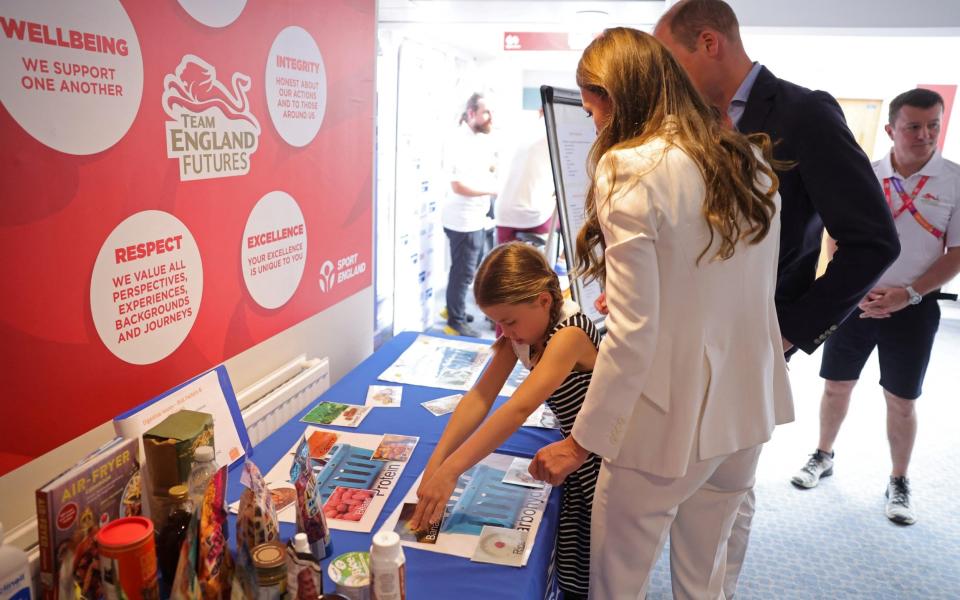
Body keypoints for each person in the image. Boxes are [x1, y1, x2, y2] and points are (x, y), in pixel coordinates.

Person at [529, 27, 791, 599]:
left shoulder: (629, 167)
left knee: (618, 584)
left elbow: (633, 335)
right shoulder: (750, 161)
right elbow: (733, 287)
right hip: (745, 406)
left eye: (591, 100)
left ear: (615, 93)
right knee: (704, 581)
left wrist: (581, 443)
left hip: (666, 421)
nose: (591, 118)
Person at [652, 1, 900, 594]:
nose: (664, 77)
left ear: (709, 42)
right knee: (718, 485)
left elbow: (872, 241)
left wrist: (787, 330)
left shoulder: (803, 113)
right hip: (692, 331)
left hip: (758, 335)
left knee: (724, 490)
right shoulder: (687, 121)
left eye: (671, 59)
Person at [791, 88, 960, 526]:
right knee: (835, 385)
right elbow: (835, 234)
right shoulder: (865, 172)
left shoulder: (954, 180)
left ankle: (898, 479)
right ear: (891, 129)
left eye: (933, 126)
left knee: (901, 399)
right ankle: (822, 454)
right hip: (855, 303)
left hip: (915, 305)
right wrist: (851, 286)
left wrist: (909, 293)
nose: (925, 135)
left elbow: (956, 253)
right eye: (913, 127)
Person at [410, 242, 602, 600]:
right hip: (575, 448)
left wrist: (452, 471)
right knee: (570, 568)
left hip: (597, 457)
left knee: (589, 572)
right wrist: (435, 465)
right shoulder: (524, 332)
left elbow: (517, 408)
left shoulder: (570, 334)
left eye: (510, 321)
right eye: (497, 323)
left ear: (544, 301)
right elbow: (479, 398)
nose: (505, 332)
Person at [442, 92, 498, 338]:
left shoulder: (476, 139)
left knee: (467, 269)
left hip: (475, 219)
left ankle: (455, 310)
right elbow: (457, 186)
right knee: (463, 272)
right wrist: (491, 189)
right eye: (486, 112)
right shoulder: (458, 141)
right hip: (463, 221)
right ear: (471, 113)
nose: (490, 117)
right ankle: (455, 321)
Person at [495, 109, 556, 245]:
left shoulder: (525, 130)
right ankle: (562, 260)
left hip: (503, 212)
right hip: (532, 215)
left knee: (505, 263)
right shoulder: (553, 131)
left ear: (540, 111)